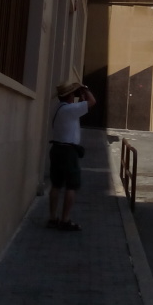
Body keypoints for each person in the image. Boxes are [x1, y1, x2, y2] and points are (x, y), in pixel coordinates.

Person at [48, 80, 96, 231]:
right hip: (68, 152)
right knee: (71, 185)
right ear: (69, 95)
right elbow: (92, 101)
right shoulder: (70, 110)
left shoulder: (59, 108)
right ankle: (65, 219)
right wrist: (85, 89)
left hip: (56, 149)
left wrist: (80, 95)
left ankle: (52, 218)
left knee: (56, 185)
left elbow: (80, 107)